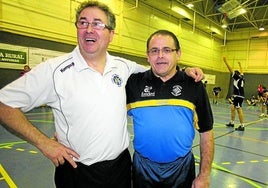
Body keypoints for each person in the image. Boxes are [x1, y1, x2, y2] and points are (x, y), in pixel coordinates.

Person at [0, 1, 204, 188]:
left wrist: (184, 71)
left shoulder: (124, 67)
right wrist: (43, 142)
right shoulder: (54, 71)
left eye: (98, 24)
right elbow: (3, 104)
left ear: (111, 34)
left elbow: (160, 68)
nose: (89, 29)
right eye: (83, 22)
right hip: (76, 171)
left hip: (120, 169)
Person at [126, 30, 214, 188]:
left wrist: (204, 175)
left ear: (178, 54)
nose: (160, 55)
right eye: (154, 51)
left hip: (181, 169)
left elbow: (206, 132)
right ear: (147, 56)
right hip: (143, 168)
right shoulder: (133, 83)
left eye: (167, 50)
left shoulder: (193, 85)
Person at [223, 57, 245, 131]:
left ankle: (242, 126)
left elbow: (230, 70)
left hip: (238, 96)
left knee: (239, 109)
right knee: (233, 108)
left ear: (236, 74)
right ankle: (232, 123)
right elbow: (242, 71)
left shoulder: (237, 77)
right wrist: (240, 65)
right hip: (238, 96)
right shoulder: (241, 77)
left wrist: (226, 62)